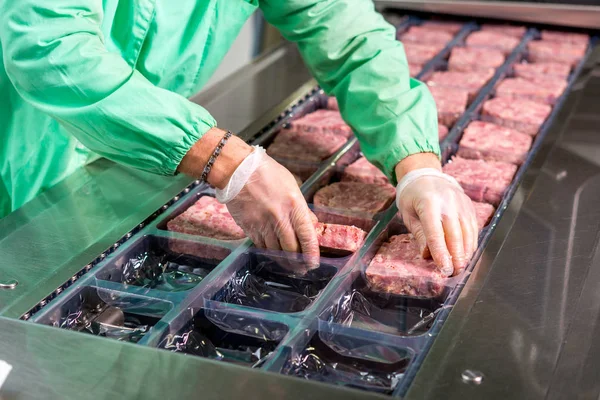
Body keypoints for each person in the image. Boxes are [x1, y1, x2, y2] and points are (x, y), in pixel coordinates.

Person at [0, 0, 477, 276]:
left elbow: (352, 41)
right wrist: (227, 163)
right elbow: (51, 53)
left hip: (128, 149)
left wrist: (417, 164)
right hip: (19, 145)